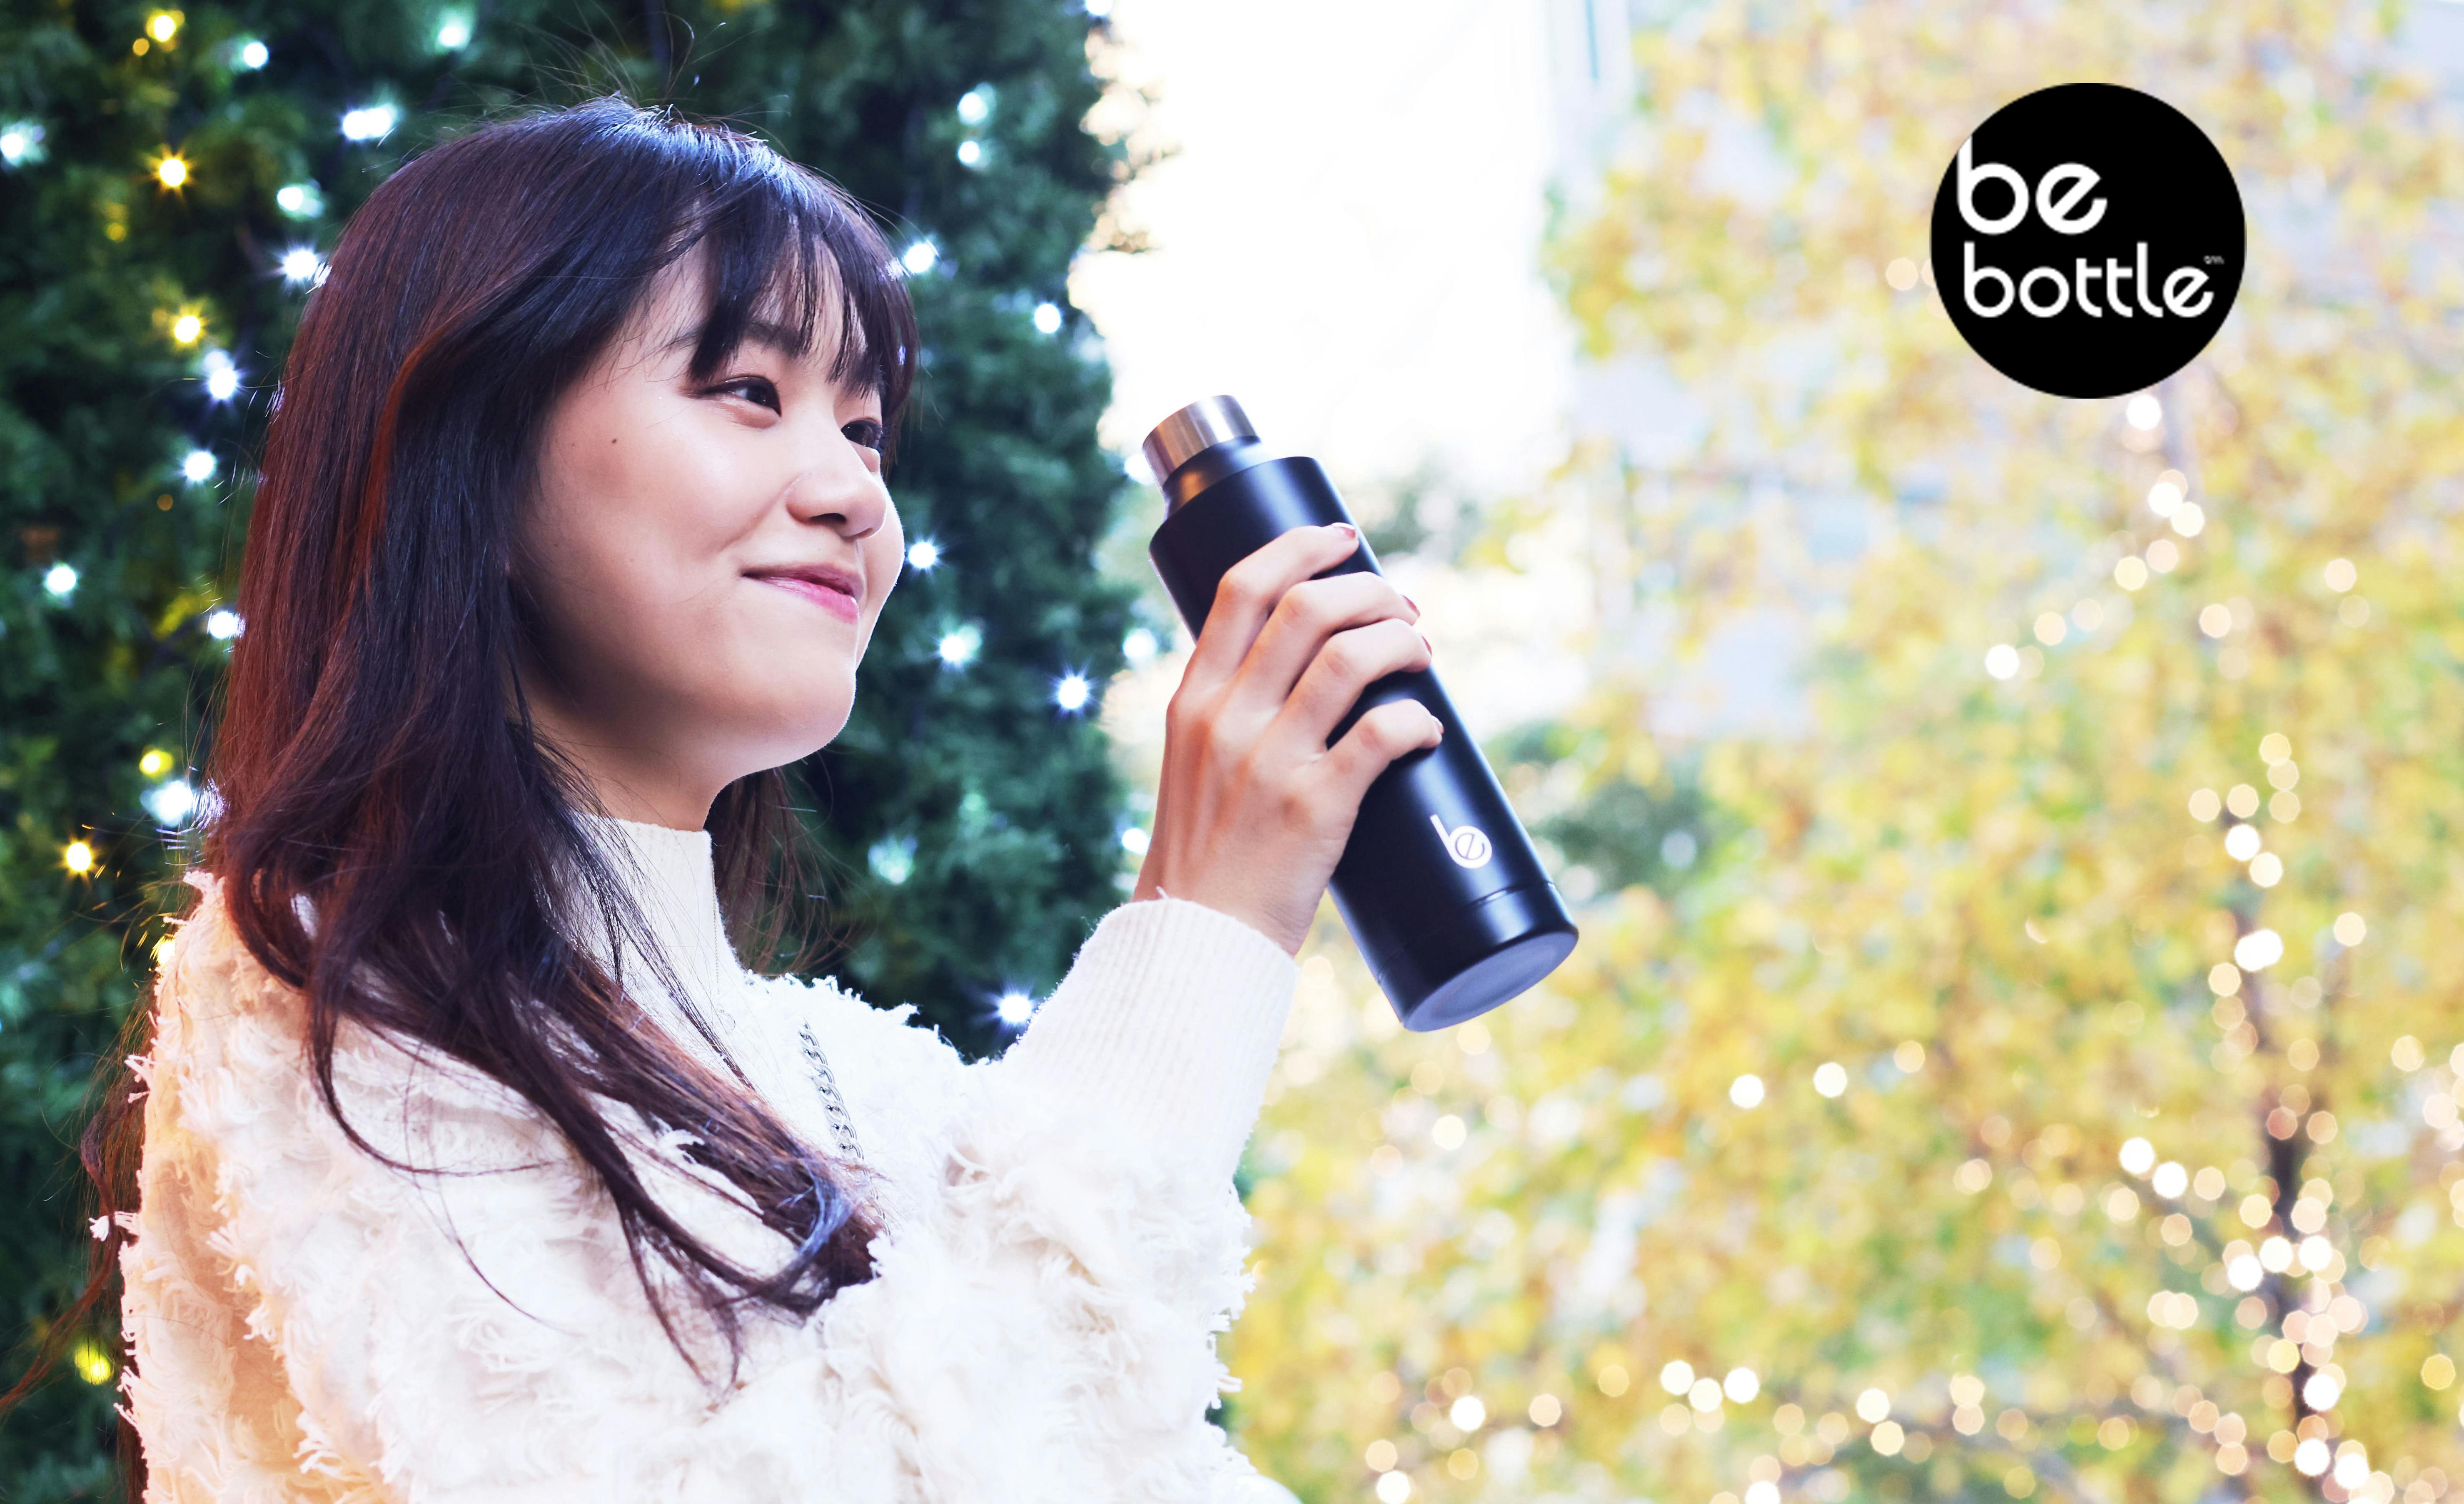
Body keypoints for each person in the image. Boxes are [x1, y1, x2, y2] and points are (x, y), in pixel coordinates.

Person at [60, 96, 1442, 1502]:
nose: (852, 492)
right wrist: (1200, 931)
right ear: (471, 459)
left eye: (866, 426)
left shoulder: (888, 1089)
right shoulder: (321, 984)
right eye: (747, 392)